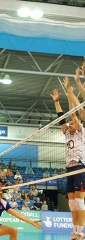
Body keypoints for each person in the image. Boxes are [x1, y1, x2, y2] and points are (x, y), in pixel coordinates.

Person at [51, 86, 85, 240]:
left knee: (79, 202)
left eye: (72, 123)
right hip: (69, 169)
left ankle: (80, 231)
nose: (70, 125)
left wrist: (70, 95)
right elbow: (61, 118)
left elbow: (73, 115)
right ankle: (74, 232)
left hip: (80, 168)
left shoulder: (80, 131)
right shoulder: (66, 133)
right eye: (69, 124)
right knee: (72, 204)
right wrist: (56, 102)